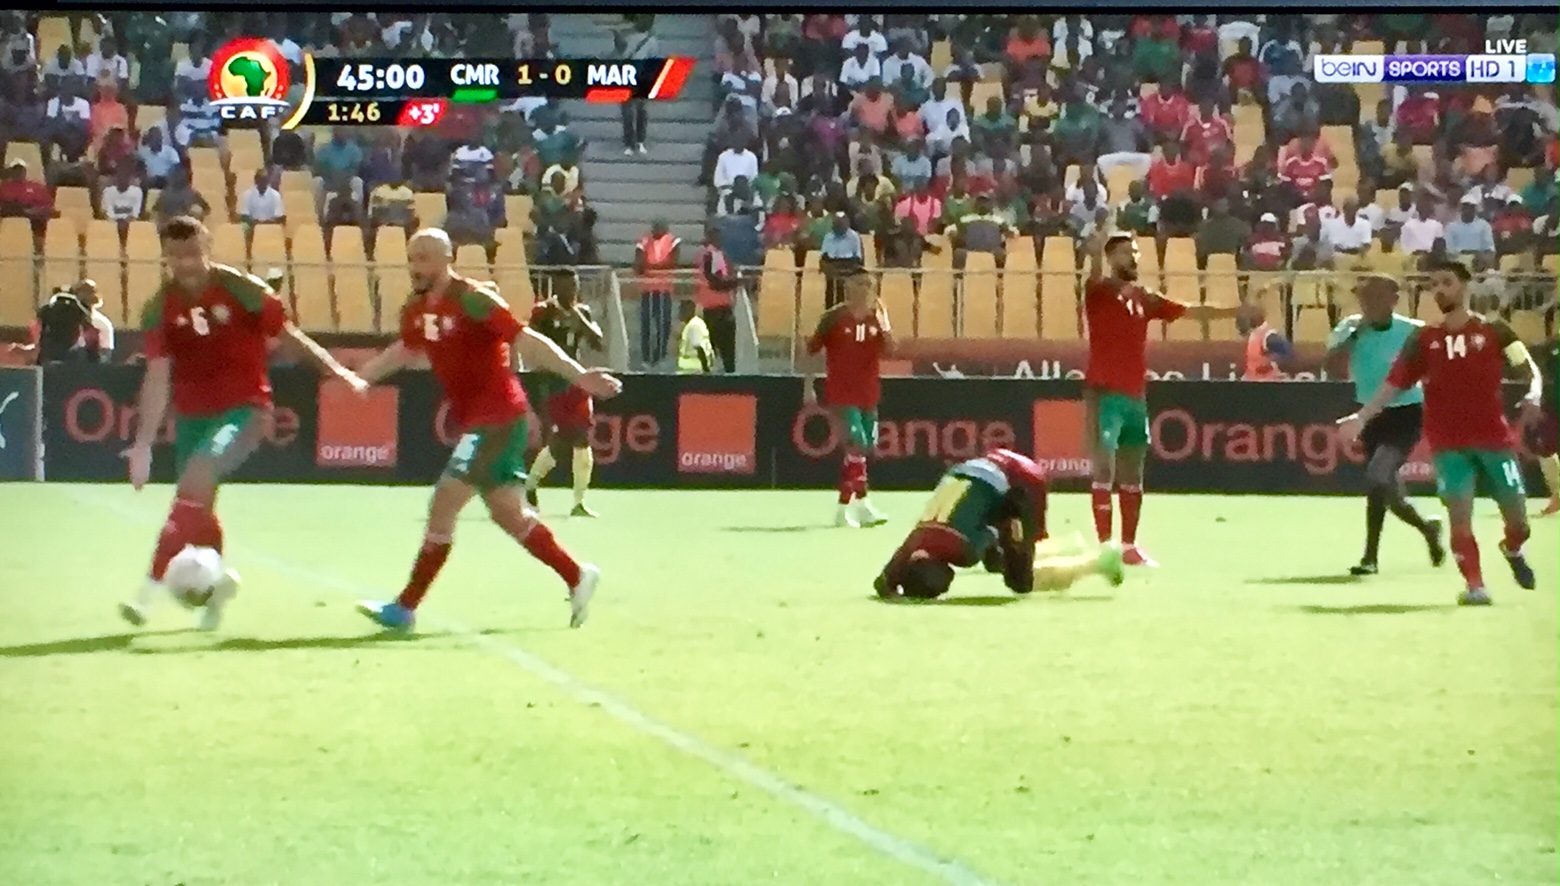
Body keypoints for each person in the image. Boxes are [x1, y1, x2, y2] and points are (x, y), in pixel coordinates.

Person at [351, 229, 622, 631]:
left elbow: (526, 340)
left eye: (424, 257)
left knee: (444, 501)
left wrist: (579, 376)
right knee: (509, 514)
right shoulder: (417, 308)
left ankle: (404, 608)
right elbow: (406, 348)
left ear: (447, 260)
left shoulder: (473, 299)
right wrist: (363, 377)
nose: (415, 266)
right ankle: (577, 575)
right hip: (480, 419)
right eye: (412, 258)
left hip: (498, 417)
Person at [118, 216, 368, 629]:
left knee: (195, 480)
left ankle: (147, 592)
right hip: (194, 415)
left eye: (193, 253)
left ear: (207, 248)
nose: (186, 264)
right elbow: (157, 375)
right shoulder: (158, 308)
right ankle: (217, 588)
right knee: (198, 506)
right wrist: (143, 443)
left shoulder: (242, 289)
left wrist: (338, 372)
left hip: (245, 408)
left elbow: (289, 335)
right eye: (176, 256)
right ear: (166, 256)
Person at [1339, 259, 1544, 605]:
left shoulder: (1495, 330)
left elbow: (1528, 368)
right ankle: (1475, 586)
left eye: (1446, 282)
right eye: (1434, 285)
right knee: (1459, 517)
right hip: (1448, 443)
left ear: (1465, 285)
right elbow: (1395, 383)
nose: (1439, 290)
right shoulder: (1424, 338)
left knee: (1518, 521)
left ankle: (1512, 548)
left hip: (1493, 438)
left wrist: (1534, 393)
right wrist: (1361, 418)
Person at [1083, 229, 1252, 566]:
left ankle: (1129, 546)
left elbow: (1192, 311)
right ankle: (1105, 547)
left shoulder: (1144, 297)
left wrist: (1237, 310)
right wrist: (1094, 252)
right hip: (1105, 393)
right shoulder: (1100, 292)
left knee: (1133, 472)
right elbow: (1095, 276)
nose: (1134, 257)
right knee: (1104, 468)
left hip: (1135, 394)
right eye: (1126, 252)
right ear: (1112, 257)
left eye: (1135, 251)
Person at [874, 448, 1125, 600]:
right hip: (985, 468)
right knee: (1000, 557)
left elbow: (1001, 532)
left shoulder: (965, 551)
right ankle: (1070, 545)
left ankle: (1100, 561)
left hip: (1021, 483)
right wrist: (894, 589)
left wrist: (1018, 548)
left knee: (1019, 580)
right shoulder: (915, 541)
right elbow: (882, 583)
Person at [1324, 275, 1445, 575]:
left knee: (1378, 475)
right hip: (1369, 414)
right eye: (1364, 297)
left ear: (1393, 300)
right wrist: (1352, 338)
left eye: (1376, 297)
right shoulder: (1349, 328)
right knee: (1388, 491)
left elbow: (1438, 369)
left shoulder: (1413, 331)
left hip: (1406, 413)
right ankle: (1427, 528)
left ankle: (1370, 557)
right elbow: (1331, 367)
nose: (1368, 303)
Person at [804, 272, 892, 528]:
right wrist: (808, 386)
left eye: (869, 284)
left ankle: (853, 507)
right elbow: (811, 350)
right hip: (842, 393)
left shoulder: (876, 317)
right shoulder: (833, 317)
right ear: (848, 287)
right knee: (857, 443)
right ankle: (852, 507)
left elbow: (890, 349)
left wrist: (886, 327)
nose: (865, 289)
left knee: (863, 449)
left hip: (868, 393)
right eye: (860, 284)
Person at [524, 283, 606, 517]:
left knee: (571, 438)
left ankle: (573, 500)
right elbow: (530, 343)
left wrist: (580, 318)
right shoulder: (543, 311)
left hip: (577, 380)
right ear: (557, 288)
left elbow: (598, 343)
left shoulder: (582, 311)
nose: (571, 291)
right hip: (553, 382)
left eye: (574, 286)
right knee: (572, 436)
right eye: (566, 286)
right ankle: (535, 486)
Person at [635, 219, 681, 369]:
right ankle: (646, 358)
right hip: (647, 290)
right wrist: (657, 266)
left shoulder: (672, 241)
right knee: (646, 326)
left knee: (664, 325)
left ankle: (659, 356)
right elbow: (638, 265)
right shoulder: (644, 241)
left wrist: (651, 266)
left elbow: (672, 262)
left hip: (664, 290)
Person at [1523, 334, 1560, 517]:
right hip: (1553, 407)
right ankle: (1557, 494)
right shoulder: (1550, 346)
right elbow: (1532, 366)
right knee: (1545, 451)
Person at [695, 225, 740, 372]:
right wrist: (735, 282)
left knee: (723, 349)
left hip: (721, 306)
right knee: (720, 347)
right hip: (713, 307)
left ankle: (722, 374)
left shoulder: (718, 254)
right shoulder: (709, 254)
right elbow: (714, 282)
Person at [676, 300, 714, 373]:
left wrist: (705, 370)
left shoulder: (693, 326)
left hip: (694, 370)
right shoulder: (694, 323)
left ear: (689, 311)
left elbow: (699, 348)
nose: (679, 313)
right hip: (692, 370)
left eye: (682, 310)